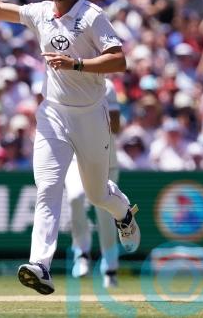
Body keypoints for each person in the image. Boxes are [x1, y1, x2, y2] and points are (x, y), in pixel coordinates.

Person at [0, 0, 140, 295]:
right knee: (48, 188)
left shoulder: (92, 16)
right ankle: (40, 265)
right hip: (53, 113)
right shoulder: (40, 12)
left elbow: (119, 60)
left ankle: (123, 212)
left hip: (90, 115)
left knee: (96, 194)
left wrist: (77, 64)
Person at [66, 78, 121, 288]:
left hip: (105, 160)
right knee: (75, 197)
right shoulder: (66, 85)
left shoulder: (108, 87)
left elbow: (116, 127)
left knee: (104, 212)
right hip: (75, 156)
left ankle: (110, 267)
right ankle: (81, 254)